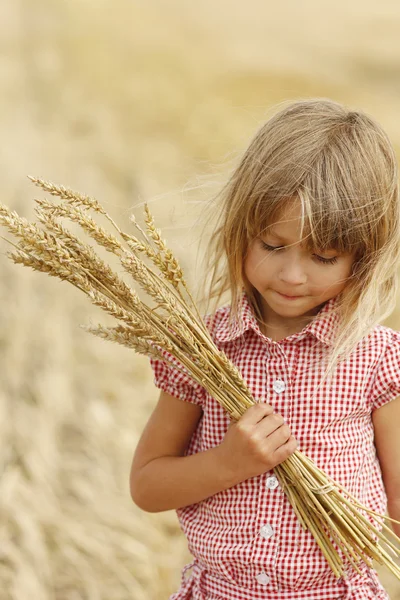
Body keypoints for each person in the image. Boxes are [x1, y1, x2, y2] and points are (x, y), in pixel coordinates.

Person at [129, 98, 400, 599]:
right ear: (239, 232)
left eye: (323, 256)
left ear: (363, 257)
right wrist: (229, 463)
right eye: (272, 246)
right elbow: (147, 485)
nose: (292, 275)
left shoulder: (375, 357)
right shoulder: (203, 353)